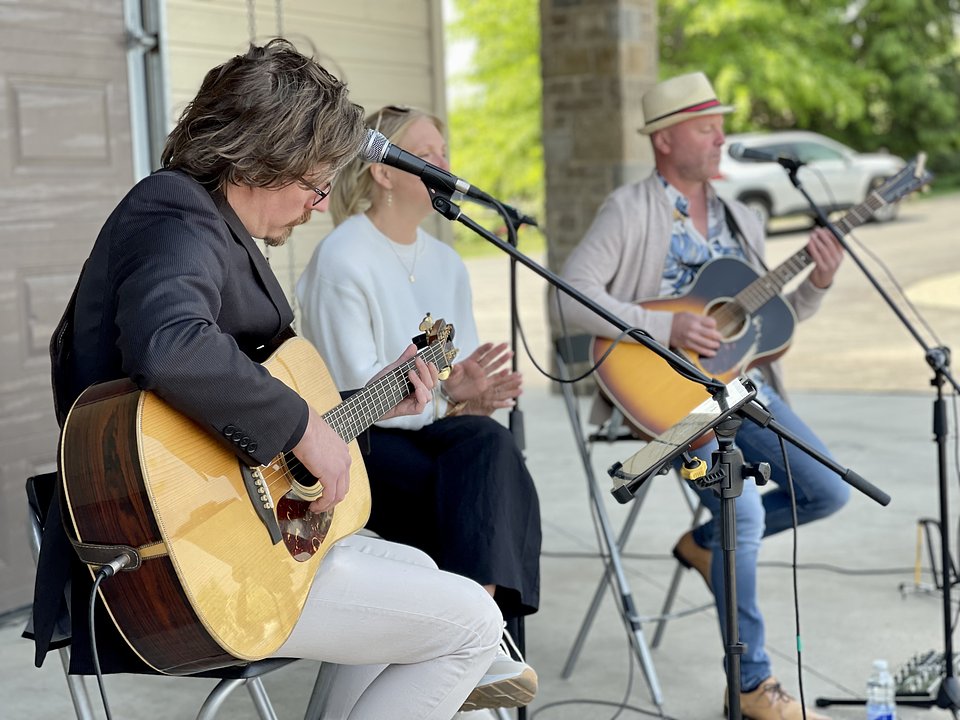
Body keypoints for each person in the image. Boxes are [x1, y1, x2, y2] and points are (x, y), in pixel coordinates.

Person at [29, 39, 532, 720]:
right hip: (180, 557)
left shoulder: (209, 227)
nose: (319, 206)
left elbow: (228, 406)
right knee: (471, 621)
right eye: (313, 185)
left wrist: (367, 403)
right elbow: (170, 345)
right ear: (262, 157)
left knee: (419, 574)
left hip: (227, 536)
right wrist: (303, 429)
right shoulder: (173, 208)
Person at [558, 71, 850, 720]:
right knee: (745, 515)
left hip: (742, 392)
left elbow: (768, 328)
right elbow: (571, 296)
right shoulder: (629, 210)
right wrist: (664, 326)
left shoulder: (742, 218)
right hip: (665, 405)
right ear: (664, 140)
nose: (721, 137)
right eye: (705, 127)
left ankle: (705, 543)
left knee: (829, 490)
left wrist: (818, 283)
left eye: (720, 125)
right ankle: (751, 684)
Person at [295, 105, 541, 696]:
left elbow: (454, 380)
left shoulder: (448, 261)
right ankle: (479, 636)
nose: (444, 165)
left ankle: (475, 629)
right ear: (383, 171)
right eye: (426, 155)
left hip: (432, 441)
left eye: (444, 153)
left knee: (489, 448)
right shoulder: (342, 258)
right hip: (358, 448)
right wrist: (449, 398)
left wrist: (469, 396)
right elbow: (354, 395)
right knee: (491, 467)